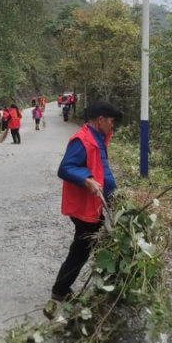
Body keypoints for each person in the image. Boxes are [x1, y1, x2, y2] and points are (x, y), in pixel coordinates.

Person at [45, 101, 123, 318]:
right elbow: (65, 168)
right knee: (84, 245)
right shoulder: (83, 140)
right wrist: (87, 181)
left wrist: (113, 194)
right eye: (111, 121)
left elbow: (102, 169)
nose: (112, 126)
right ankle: (60, 291)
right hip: (85, 205)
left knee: (91, 243)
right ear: (101, 120)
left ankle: (101, 288)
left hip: (98, 202)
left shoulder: (98, 138)